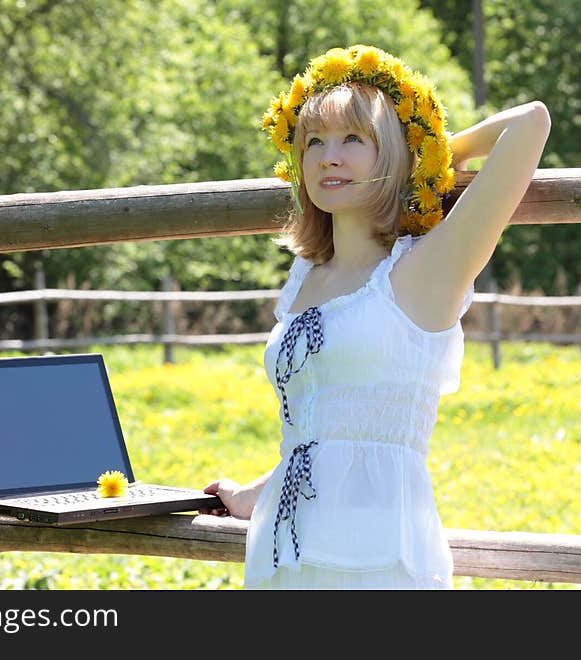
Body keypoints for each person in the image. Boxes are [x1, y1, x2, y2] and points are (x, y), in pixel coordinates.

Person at [200, 45, 551, 589]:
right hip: (281, 553)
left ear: (389, 153)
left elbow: (530, 124)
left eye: (352, 140)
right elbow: (322, 426)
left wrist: (419, 160)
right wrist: (250, 495)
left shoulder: (426, 271)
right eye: (313, 142)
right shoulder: (305, 277)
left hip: (380, 558)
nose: (327, 157)